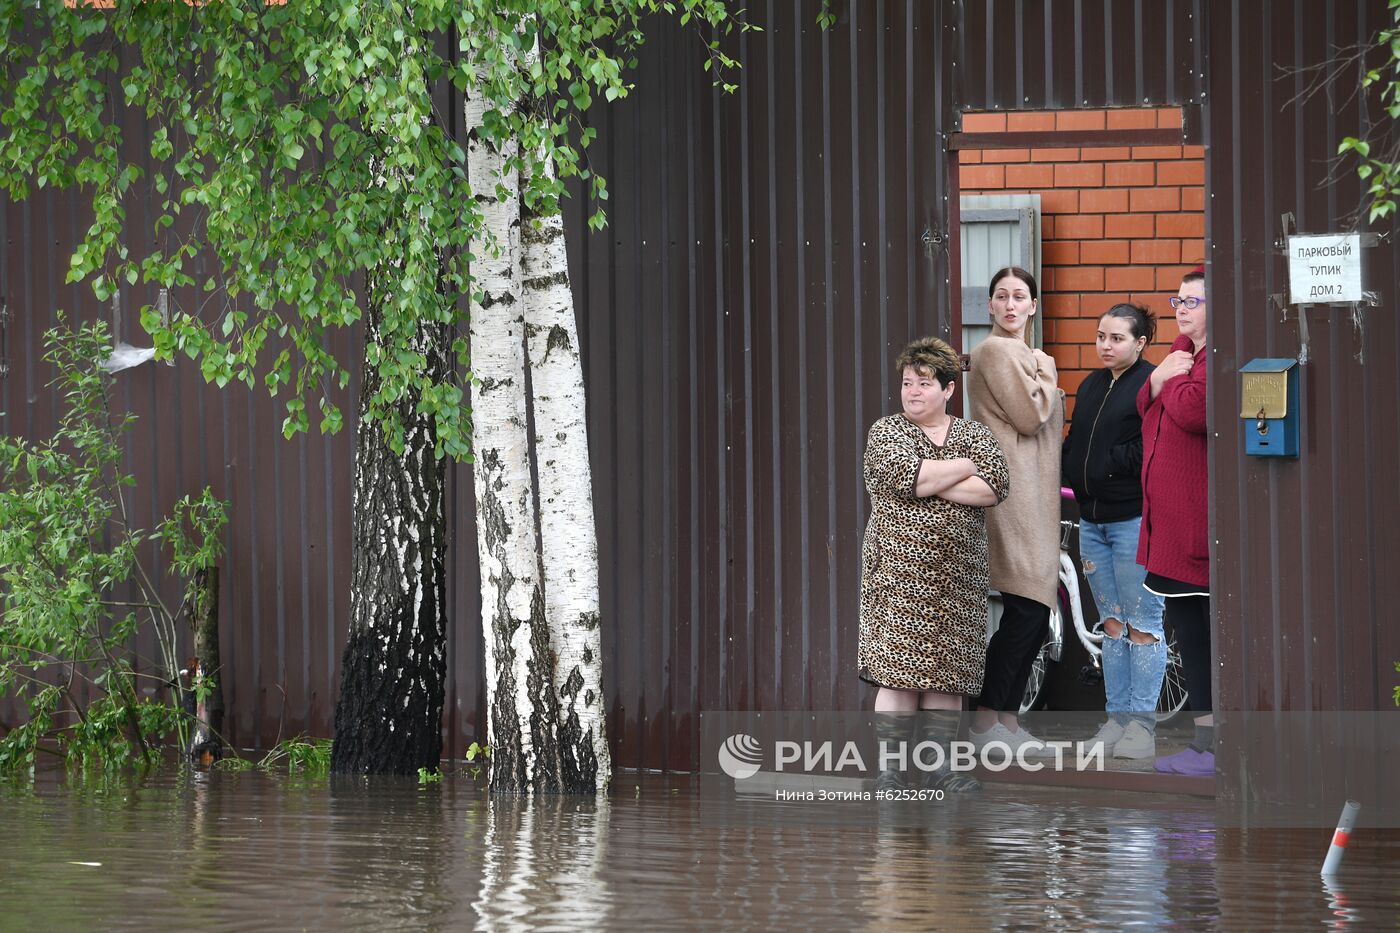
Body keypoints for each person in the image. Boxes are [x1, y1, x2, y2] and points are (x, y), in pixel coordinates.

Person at [860, 336, 1009, 793]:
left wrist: (929, 479)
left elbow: (994, 488)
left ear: (948, 389)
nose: (913, 392)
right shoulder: (887, 432)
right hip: (898, 575)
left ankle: (938, 768)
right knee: (899, 674)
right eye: (907, 383)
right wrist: (962, 468)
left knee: (948, 674)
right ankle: (889, 772)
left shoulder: (974, 433)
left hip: (958, 578)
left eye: (924, 384)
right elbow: (898, 476)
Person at [966, 266, 1064, 753]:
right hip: (1014, 492)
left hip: (1038, 492)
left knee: (1035, 607)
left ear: (1032, 305)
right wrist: (1047, 372)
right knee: (1025, 606)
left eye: (1018, 296)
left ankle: (1006, 717)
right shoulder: (995, 351)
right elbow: (1031, 415)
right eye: (1000, 296)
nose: (1009, 304)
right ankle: (986, 719)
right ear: (988, 306)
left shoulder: (1025, 353)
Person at [1061, 303, 1166, 759]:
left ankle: (1142, 726)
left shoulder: (1152, 382)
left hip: (1133, 520)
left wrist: (1109, 466)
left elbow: (1154, 444)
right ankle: (1116, 719)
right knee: (1112, 623)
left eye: (1117, 338)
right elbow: (1075, 443)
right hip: (1092, 520)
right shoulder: (1089, 384)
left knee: (1143, 624)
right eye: (1101, 336)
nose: (1106, 345)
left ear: (1140, 343)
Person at [1139, 268, 1214, 777]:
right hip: (1166, 522)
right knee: (1189, 632)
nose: (1180, 309)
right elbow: (1143, 403)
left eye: (1192, 301)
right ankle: (1205, 743)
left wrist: (1171, 374)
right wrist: (1161, 376)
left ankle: (1209, 749)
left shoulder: (1209, 359)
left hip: (1194, 529)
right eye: (1178, 300)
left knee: (1200, 636)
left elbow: (1191, 411)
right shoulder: (1183, 354)